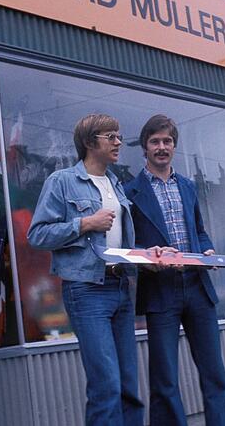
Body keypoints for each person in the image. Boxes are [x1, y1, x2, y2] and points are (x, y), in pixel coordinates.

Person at [27, 114, 143, 426]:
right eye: (111, 137)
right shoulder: (62, 181)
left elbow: (124, 239)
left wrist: (149, 257)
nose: (118, 142)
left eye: (118, 136)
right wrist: (84, 223)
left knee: (129, 385)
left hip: (121, 286)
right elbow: (36, 235)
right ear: (91, 142)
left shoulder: (116, 182)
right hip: (87, 290)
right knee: (106, 385)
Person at [124, 115, 225, 426]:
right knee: (165, 379)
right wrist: (147, 257)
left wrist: (207, 248)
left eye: (167, 141)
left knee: (215, 374)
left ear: (174, 146)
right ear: (145, 148)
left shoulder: (187, 185)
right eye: (155, 141)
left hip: (198, 287)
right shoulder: (129, 192)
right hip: (160, 290)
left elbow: (199, 230)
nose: (162, 147)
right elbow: (127, 243)